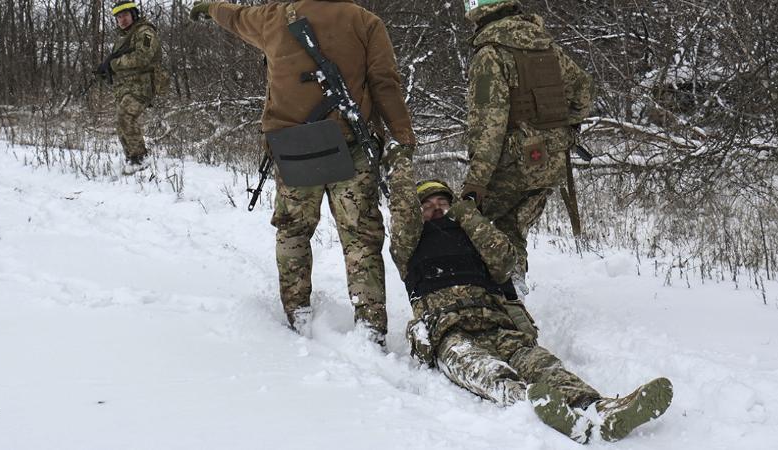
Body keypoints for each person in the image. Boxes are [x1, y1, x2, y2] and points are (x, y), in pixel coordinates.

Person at [383, 143, 672, 443]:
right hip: (448, 331)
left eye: (442, 203)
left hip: (496, 323)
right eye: (427, 207)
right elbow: (403, 214)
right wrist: (400, 162)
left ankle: (598, 408)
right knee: (484, 370)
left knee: (542, 364)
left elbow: (505, 259)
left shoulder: (472, 237)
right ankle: (537, 406)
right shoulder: (409, 247)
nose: (436, 209)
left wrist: (467, 216)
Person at [189, 0, 416, 343]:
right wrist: (402, 136)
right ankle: (370, 326)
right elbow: (385, 83)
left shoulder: (271, 17)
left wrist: (209, 8)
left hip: (294, 149)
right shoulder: (366, 22)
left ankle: (298, 316)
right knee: (360, 237)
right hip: (350, 146)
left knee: (293, 231)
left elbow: (233, 17)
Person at [460, 0, 594, 295]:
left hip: (512, 165)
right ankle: (514, 290)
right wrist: (564, 128)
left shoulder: (490, 53)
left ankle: (478, 298)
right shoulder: (547, 46)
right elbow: (583, 89)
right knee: (514, 228)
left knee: (468, 226)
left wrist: (476, 182)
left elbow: (489, 125)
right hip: (550, 162)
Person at [95, 1, 163, 175]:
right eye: (118, 17)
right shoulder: (122, 38)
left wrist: (114, 64)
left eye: (125, 15)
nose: (122, 20)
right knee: (121, 122)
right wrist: (106, 69)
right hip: (126, 86)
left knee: (125, 116)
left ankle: (140, 159)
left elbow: (143, 57)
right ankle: (132, 158)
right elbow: (123, 62)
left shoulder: (145, 32)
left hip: (143, 86)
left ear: (133, 14)